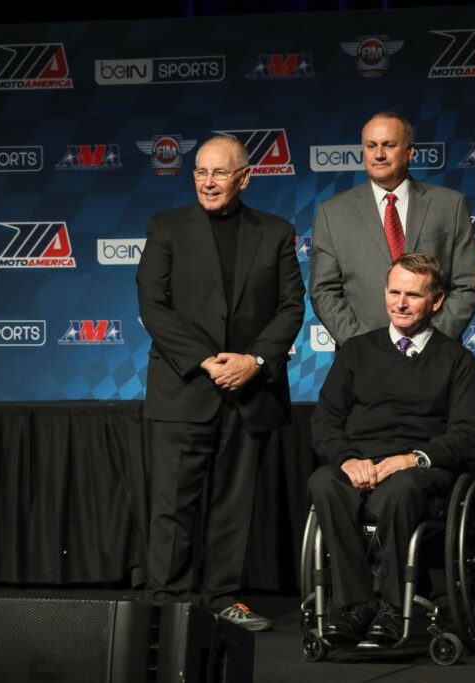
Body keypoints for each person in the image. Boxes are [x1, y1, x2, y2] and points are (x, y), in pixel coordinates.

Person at [136, 134, 305, 631]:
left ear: (245, 177)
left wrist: (254, 360)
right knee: (172, 506)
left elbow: (291, 307)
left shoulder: (275, 232)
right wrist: (207, 362)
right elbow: (153, 307)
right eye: (201, 173)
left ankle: (222, 599)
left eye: (220, 173)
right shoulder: (165, 228)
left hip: (249, 392)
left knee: (233, 504)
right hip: (183, 388)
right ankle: (168, 604)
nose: (209, 182)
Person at [308, 252, 475, 645]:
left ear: (436, 301)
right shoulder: (356, 351)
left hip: (418, 466)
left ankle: (392, 606)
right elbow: (325, 420)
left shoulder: (456, 360)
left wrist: (411, 459)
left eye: (413, 295)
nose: (400, 303)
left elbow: (468, 436)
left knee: (400, 490)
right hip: (360, 461)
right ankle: (355, 605)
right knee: (324, 482)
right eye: (394, 292)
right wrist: (348, 459)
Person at [309, 111, 475, 347]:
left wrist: (430, 342)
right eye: (371, 146)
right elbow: (324, 291)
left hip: (435, 357)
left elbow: (467, 285)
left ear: (410, 152)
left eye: (388, 145)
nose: (379, 154)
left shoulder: (449, 205)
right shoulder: (333, 212)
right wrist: (365, 347)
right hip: (363, 361)